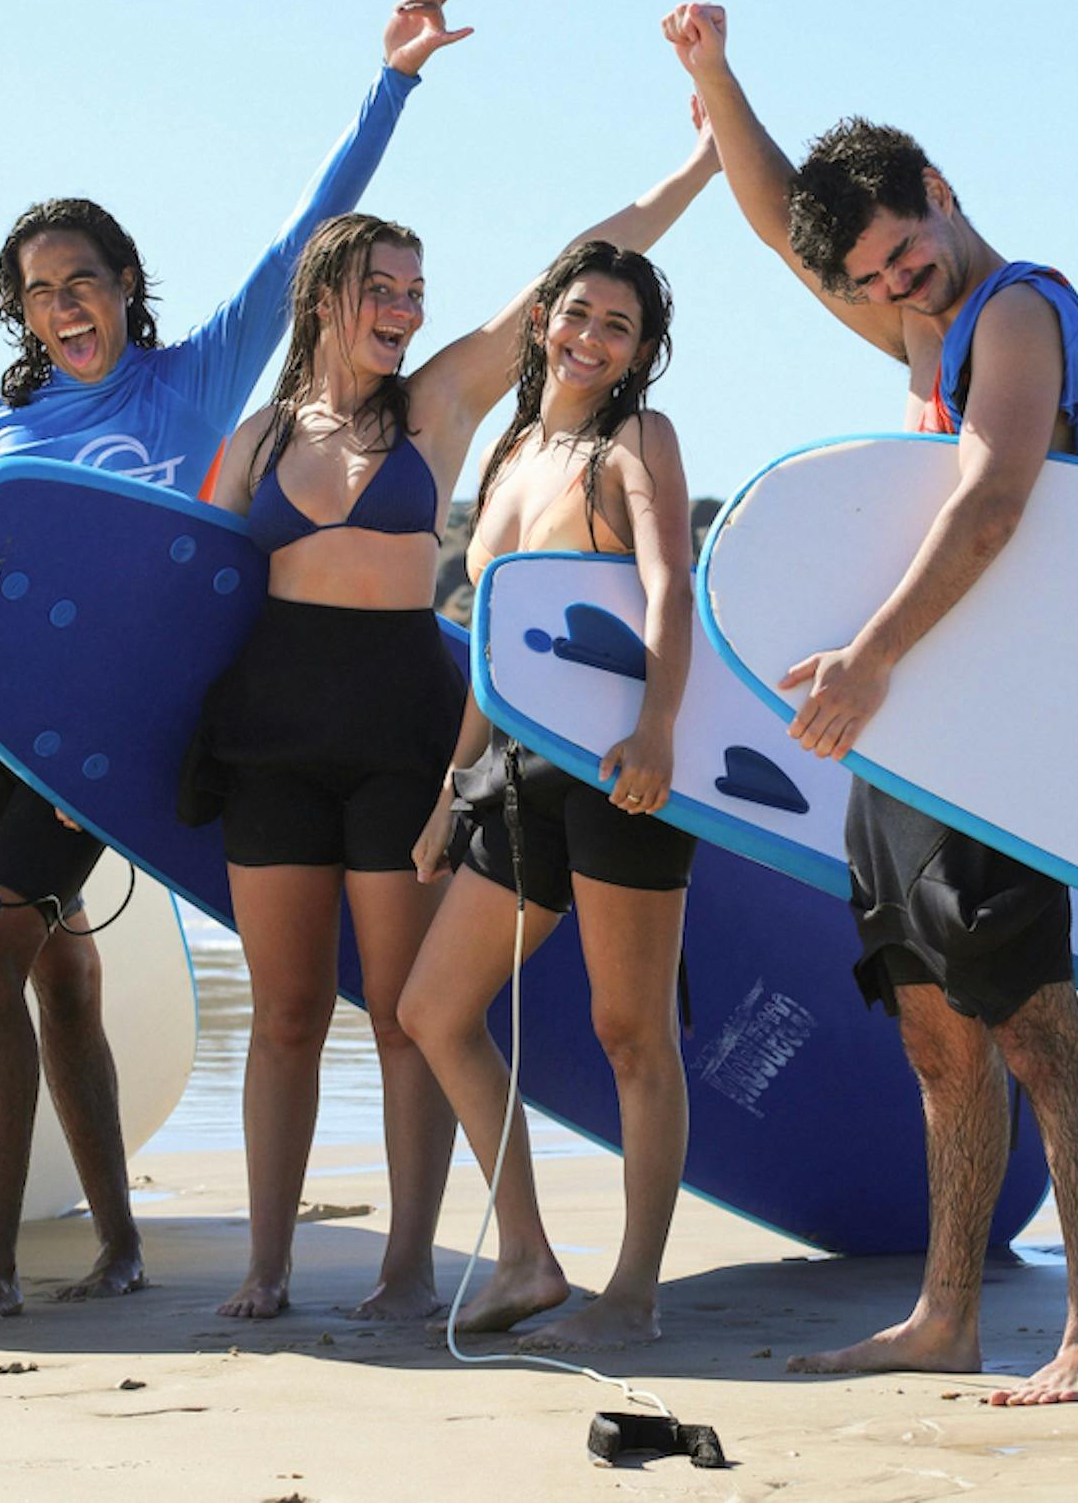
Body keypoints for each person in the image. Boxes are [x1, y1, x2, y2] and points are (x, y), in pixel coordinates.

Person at [0, 0, 475, 1331]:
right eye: (38, 293)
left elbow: (308, 234)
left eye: (82, 282)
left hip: (133, 729)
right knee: (58, 965)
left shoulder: (198, 378)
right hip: (8, 729)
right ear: (20, 313)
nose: (63, 307)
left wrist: (393, 79)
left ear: (124, 288)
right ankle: (116, 1244)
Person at [665, 1, 1078, 1405]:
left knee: (1035, 1022)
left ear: (938, 191)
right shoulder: (926, 328)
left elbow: (993, 502)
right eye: (871, 279)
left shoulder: (1018, 312)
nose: (893, 288)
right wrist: (716, 78)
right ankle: (946, 1315)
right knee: (934, 1029)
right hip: (914, 730)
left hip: (1000, 723)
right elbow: (784, 233)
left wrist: (866, 658)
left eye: (901, 254)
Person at [194, 98, 718, 1321]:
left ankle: (407, 1266)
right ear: (323, 295)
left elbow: (574, 275)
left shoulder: (435, 410)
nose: (405, 308)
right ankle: (267, 1267)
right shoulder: (257, 439)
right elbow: (191, 589)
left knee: (405, 1014)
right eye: (381, 288)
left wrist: (696, 165)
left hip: (403, 727)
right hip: (277, 733)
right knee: (284, 1014)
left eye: (416, 292)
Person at [395, 239, 697, 1348]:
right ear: (543, 321)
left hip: (619, 768)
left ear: (640, 351)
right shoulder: (512, 448)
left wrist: (656, 726)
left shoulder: (638, 439)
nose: (590, 338)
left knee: (630, 1031)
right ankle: (524, 1256)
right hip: (516, 771)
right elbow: (494, 642)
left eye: (618, 326)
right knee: (433, 1009)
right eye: (577, 314)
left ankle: (634, 1295)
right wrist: (450, 790)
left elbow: (671, 587)